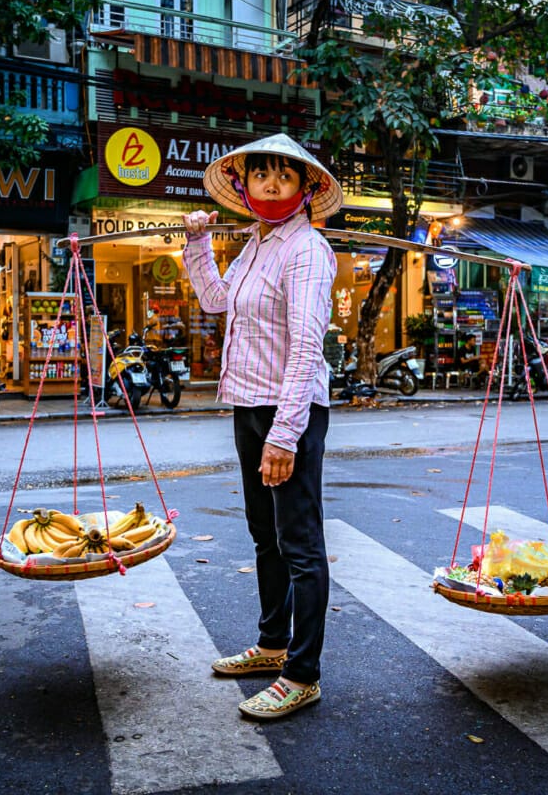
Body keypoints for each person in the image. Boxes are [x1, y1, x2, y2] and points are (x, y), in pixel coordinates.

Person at [182, 133, 343, 721]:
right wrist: (198, 244)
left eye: (284, 176)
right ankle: (272, 645)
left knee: (300, 544)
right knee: (265, 535)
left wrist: (285, 434)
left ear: (306, 188)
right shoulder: (254, 244)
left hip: (288, 409)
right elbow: (217, 301)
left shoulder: (307, 251)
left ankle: (302, 673)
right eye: (261, 176)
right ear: (244, 186)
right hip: (248, 402)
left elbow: (306, 346)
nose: (271, 185)